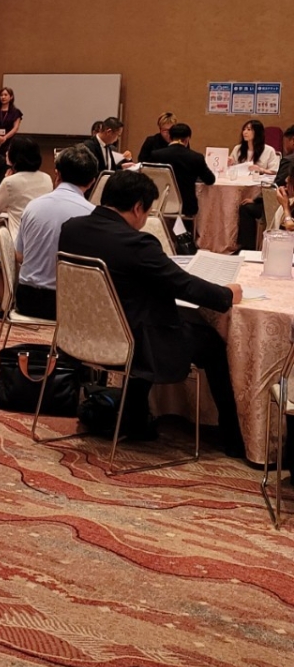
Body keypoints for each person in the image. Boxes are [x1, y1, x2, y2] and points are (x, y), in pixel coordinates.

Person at [59, 171, 243, 455]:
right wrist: (226, 294)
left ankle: (133, 416)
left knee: (167, 318)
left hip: (81, 333)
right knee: (213, 343)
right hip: (134, 342)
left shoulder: (72, 229)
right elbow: (183, 285)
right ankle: (233, 437)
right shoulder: (137, 244)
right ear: (137, 207)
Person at [15, 145, 98, 320]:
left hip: (26, 298)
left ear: (57, 174)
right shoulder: (92, 214)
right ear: (92, 181)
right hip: (67, 302)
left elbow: (19, 256)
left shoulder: (33, 206)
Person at [0, 136, 53, 241]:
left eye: (9, 150)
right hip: (43, 239)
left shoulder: (10, 182)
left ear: (16, 155)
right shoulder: (47, 178)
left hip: (18, 240)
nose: (6, 153)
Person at [239, 125, 294, 247]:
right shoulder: (239, 149)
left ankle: (248, 248)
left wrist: (256, 199)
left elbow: (277, 185)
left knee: (246, 208)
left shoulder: (288, 159)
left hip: (285, 204)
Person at [148, 123, 216, 219]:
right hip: (186, 206)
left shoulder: (156, 155)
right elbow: (210, 180)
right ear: (187, 139)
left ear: (170, 137)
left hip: (160, 203)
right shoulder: (196, 157)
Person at [0, 88, 23, 155]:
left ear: (11, 97)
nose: (3, 97)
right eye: (1, 95)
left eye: (5, 95)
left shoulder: (16, 112)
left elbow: (15, 128)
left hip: (9, 140)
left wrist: (5, 137)